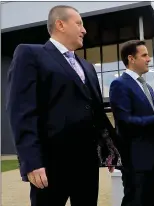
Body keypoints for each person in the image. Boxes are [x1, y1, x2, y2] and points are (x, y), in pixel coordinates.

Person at [6, 5, 121, 206]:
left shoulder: (88, 67)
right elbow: (21, 111)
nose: (84, 30)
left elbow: (96, 113)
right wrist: (31, 162)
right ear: (60, 24)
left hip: (87, 164)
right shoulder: (30, 54)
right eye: (79, 24)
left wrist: (110, 146)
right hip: (51, 165)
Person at [109, 39, 154, 206]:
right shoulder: (119, 84)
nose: (149, 59)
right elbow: (124, 121)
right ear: (131, 59)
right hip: (134, 159)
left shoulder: (147, 87)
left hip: (153, 156)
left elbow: (151, 121)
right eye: (144, 55)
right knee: (135, 201)